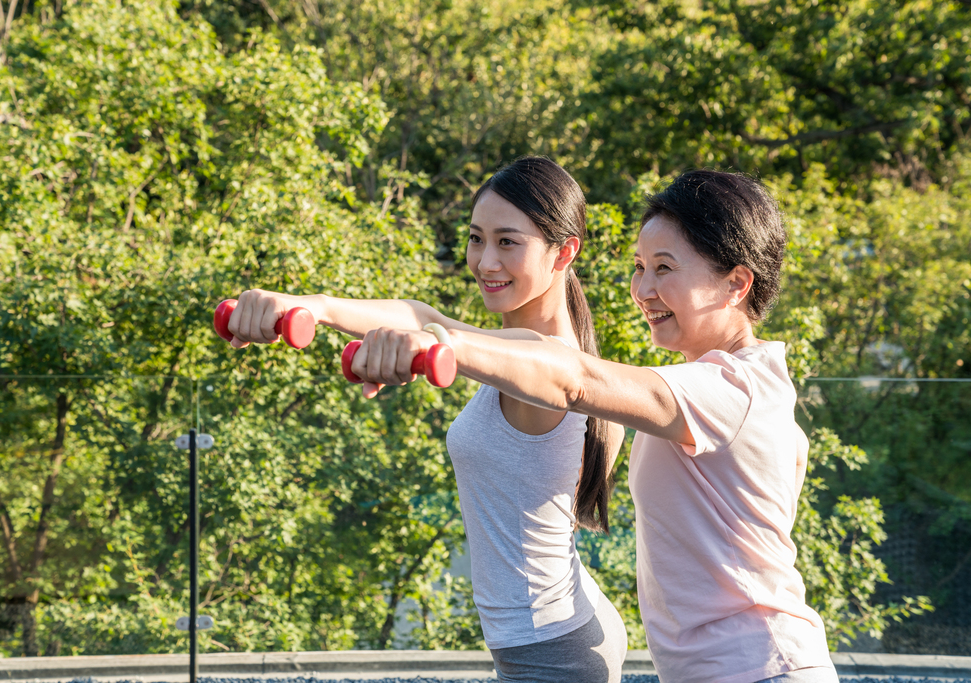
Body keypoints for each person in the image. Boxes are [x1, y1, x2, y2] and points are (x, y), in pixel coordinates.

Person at [348, 170, 839, 683]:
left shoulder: (730, 389)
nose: (643, 290)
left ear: (736, 284)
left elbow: (574, 378)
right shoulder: (728, 385)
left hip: (761, 669)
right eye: (640, 268)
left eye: (665, 269)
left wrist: (437, 348)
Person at [225, 157, 629, 682]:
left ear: (564, 252)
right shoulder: (524, 350)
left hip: (547, 650)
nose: (485, 261)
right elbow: (424, 316)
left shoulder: (547, 360)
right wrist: (309, 306)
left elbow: (438, 332)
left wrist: (428, 345)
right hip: (565, 620)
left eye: (508, 242)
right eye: (476, 238)